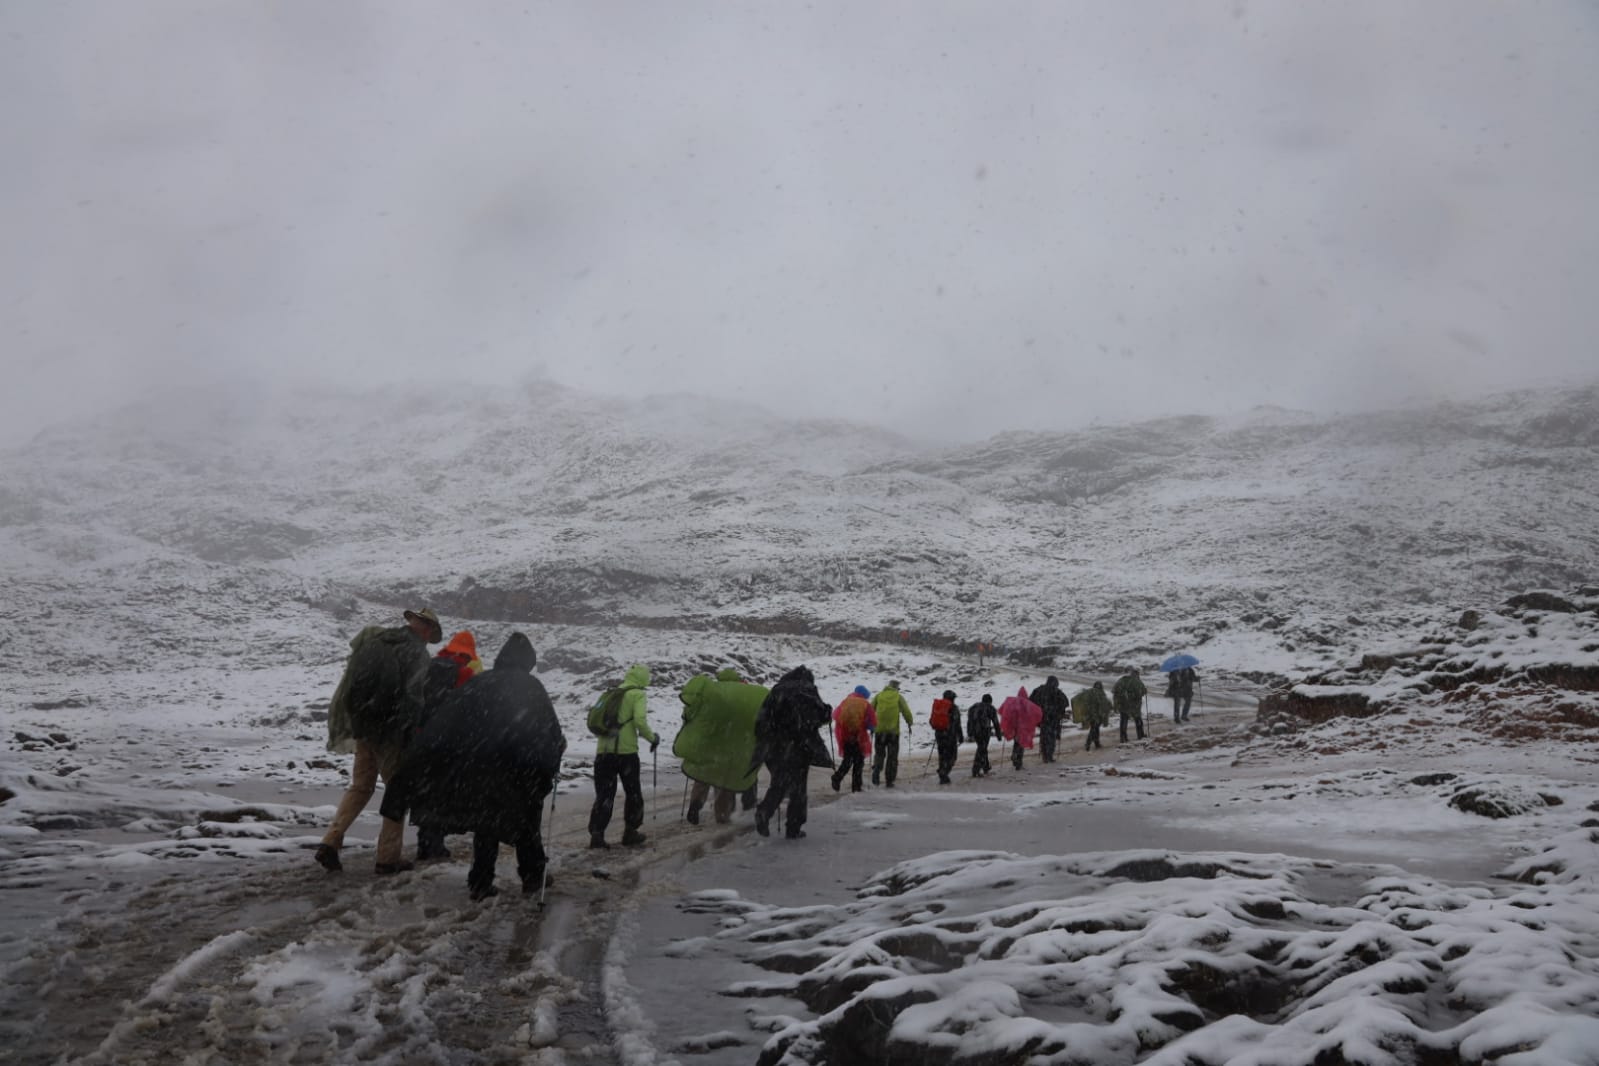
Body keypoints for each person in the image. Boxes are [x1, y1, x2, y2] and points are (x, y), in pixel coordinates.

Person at [379, 633, 566, 901]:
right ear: (527, 662)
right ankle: (533, 876)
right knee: (526, 821)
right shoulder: (530, 686)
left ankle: (480, 882)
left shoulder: (480, 682)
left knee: (487, 823)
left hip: (481, 766)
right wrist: (550, 757)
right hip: (517, 766)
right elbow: (548, 729)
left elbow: (450, 719)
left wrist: (424, 756)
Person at [315, 607, 441, 874]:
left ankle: (330, 841)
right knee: (397, 792)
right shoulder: (416, 652)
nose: (430, 636)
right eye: (431, 631)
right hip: (390, 734)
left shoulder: (378, 641)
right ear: (427, 629)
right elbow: (414, 698)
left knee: (361, 787)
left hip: (365, 727)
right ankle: (388, 858)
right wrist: (411, 733)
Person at [414, 630, 485, 862]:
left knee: (425, 791)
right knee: (442, 793)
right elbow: (470, 712)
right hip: (449, 743)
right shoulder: (463, 673)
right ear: (465, 655)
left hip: (422, 739)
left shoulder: (428, 666)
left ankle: (424, 843)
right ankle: (435, 845)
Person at [676, 668, 768, 824]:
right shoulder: (743, 695)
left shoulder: (712, 693)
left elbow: (690, 713)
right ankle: (722, 815)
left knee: (702, 774)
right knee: (724, 780)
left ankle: (695, 804)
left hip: (708, 742)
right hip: (728, 744)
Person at [752, 665, 832, 839]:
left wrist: (765, 741)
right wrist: (827, 711)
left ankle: (765, 811)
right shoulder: (807, 690)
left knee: (779, 782)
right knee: (798, 788)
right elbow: (818, 716)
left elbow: (762, 718)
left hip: (774, 746)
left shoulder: (777, 690)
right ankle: (793, 827)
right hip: (798, 746)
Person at [587, 664, 659, 849]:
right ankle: (630, 832)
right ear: (643, 678)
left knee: (604, 795)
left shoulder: (612, 693)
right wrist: (652, 738)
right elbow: (640, 721)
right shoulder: (637, 694)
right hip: (626, 753)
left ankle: (597, 834)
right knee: (633, 793)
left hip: (603, 753)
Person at [830, 685, 876, 793]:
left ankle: (837, 777)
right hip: (858, 738)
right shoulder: (866, 704)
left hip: (846, 737)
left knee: (847, 760)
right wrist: (868, 727)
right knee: (858, 763)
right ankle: (856, 787)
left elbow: (835, 715)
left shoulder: (845, 701)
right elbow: (872, 723)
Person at [870, 680, 914, 788]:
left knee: (879, 753)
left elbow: (870, 710)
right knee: (892, 757)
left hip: (879, 731)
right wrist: (909, 722)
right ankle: (889, 780)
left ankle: (876, 770)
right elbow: (906, 711)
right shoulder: (898, 697)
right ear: (897, 688)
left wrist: (870, 726)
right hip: (893, 732)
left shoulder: (879, 696)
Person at [998, 686, 1042, 770]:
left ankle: (1014, 755)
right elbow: (1037, 712)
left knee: (1016, 742)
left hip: (1015, 727)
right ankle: (1019, 763)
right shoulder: (1028, 704)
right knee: (1021, 744)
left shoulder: (1012, 702)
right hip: (1023, 728)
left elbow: (1002, 710)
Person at [1029, 677, 1071, 763]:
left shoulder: (1038, 690)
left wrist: (1037, 711)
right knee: (1052, 737)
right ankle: (1049, 755)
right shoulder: (1057, 691)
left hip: (1042, 718)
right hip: (1053, 718)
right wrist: (1059, 710)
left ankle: (1045, 755)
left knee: (1044, 736)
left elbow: (1030, 702)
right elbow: (1065, 702)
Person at [931, 689, 965, 784]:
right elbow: (958, 724)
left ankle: (942, 771)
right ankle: (944, 772)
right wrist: (960, 736)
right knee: (952, 756)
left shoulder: (938, 707)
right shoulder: (954, 708)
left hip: (939, 735)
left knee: (942, 755)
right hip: (950, 736)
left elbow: (931, 721)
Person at [966, 694, 1002, 777]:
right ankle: (976, 770)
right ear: (990, 701)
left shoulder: (973, 707)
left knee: (982, 748)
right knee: (982, 749)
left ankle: (986, 767)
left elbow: (969, 721)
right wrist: (998, 734)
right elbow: (996, 722)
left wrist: (969, 733)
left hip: (975, 732)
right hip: (984, 731)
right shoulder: (990, 708)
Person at [1113, 669, 1149, 742]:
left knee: (1124, 720)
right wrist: (1144, 690)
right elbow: (1142, 692)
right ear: (1137, 675)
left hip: (1123, 704)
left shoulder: (1123, 680)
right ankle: (1140, 735)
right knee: (1138, 719)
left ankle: (1123, 737)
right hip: (1135, 705)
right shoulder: (1138, 682)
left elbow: (1115, 690)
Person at [1077, 681, 1112, 751]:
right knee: (1094, 729)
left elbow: (1087, 703)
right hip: (1097, 715)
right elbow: (1104, 703)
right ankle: (1088, 743)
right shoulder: (1100, 693)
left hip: (1092, 714)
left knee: (1095, 729)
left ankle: (1096, 743)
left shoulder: (1090, 693)